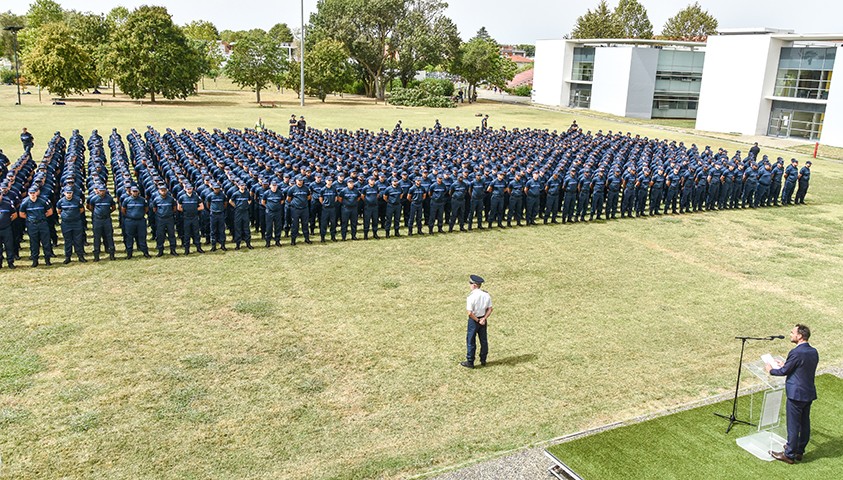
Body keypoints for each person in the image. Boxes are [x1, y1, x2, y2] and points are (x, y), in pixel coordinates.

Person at [766, 324, 819, 464]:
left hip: (796, 395)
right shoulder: (813, 351)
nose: (790, 335)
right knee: (804, 423)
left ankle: (789, 454)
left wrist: (771, 370)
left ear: (800, 336)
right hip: (808, 393)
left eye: (792, 332)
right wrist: (786, 363)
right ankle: (799, 450)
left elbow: (784, 372)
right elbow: (801, 368)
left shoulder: (796, 352)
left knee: (793, 425)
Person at [461, 274, 493, 369]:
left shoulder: (471, 297)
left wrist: (478, 320)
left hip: (474, 320)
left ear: (474, 285)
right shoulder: (486, 295)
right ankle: (483, 360)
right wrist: (484, 319)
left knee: (471, 340)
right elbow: (490, 309)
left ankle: (470, 361)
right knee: (483, 340)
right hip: (483, 319)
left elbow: (470, 313)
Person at [18, 186, 54, 267]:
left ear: (36, 193)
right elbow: (21, 214)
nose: (32, 195)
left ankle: (47, 260)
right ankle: (35, 260)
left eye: (34, 193)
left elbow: (50, 211)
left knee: (46, 242)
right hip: (32, 225)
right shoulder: (25, 202)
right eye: (31, 193)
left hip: (42, 224)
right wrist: (30, 219)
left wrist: (42, 217)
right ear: (28, 193)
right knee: (34, 243)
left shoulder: (42, 201)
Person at [55, 187, 87, 263]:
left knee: (78, 240)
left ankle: (80, 256)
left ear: (72, 193)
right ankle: (68, 257)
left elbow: (82, 209)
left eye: (70, 193)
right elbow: (59, 211)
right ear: (64, 193)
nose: (69, 194)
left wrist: (75, 216)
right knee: (67, 241)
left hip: (76, 223)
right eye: (67, 193)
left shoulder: (77, 200)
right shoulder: (61, 201)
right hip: (66, 224)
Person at [87, 184, 116, 261]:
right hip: (97, 220)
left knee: (109, 236)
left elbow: (113, 207)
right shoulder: (94, 198)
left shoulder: (109, 198)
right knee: (97, 237)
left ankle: (112, 254)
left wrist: (107, 213)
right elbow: (91, 207)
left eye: (103, 190)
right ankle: (96, 255)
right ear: (98, 191)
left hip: (106, 219)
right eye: (100, 191)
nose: (102, 192)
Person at [121, 185, 152, 259]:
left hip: (140, 221)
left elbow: (146, 209)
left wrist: (140, 215)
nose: (135, 193)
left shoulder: (142, 200)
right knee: (129, 237)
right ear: (131, 192)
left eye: (136, 191)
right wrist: (130, 216)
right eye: (133, 191)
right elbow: (123, 210)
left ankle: (145, 252)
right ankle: (129, 254)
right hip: (130, 221)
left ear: (138, 192)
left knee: (142, 236)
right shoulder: (126, 200)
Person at [151, 184, 179, 256]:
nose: (163, 192)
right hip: (160, 219)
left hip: (169, 219)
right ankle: (160, 250)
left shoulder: (171, 199)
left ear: (167, 191)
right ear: (159, 191)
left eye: (164, 190)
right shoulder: (156, 199)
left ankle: (173, 250)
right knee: (160, 235)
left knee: (171, 235)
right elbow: (154, 209)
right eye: (162, 190)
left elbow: (174, 208)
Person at [177, 183, 204, 255]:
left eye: (190, 189)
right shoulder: (182, 197)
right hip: (186, 218)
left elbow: (201, 207)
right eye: (188, 189)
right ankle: (187, 249)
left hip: (194, 217)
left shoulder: (196, 197)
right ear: (185, 189)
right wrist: (187, 210)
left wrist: (194, 210)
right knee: (187, 234)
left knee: (196, 233)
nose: (189, 190)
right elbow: (179, 208)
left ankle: (198, 247)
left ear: (192, 189)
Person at [263, 179, 285, 247]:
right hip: (269, 212)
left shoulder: (280, 193)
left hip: (278, 212)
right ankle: (268, 241)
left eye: (275, 186)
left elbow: (282, 201)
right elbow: (263, 202)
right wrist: (269, 207)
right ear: (270, 186)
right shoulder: (267, 193)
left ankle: (277, 240)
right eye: (273, 186)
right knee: (269, 227)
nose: (274, 187)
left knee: (278, 227)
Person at [0, 189, 18, 268]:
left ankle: (10, 262)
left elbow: (14, 214)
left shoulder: (7, 204)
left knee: (9, 246)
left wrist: (7, 221)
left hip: (6, 228)